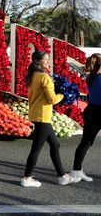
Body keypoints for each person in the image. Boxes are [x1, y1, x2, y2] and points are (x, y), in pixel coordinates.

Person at [21, 50, 80, 187]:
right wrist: (63, 95)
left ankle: (62, 176)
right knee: (36, 148)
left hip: (36, 114)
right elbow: (52, 99)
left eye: (48, 59)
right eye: (45, 59)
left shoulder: (33, 75)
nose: (48, 61)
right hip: (42, 116)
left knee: (55, 144)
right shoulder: (44, 77)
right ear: (37, 61)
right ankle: (26, 178)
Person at [71, 53, 101, 182]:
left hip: (91, 110)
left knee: (86, 142)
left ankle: (76, 170)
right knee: (86, 142)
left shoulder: (89, 77)